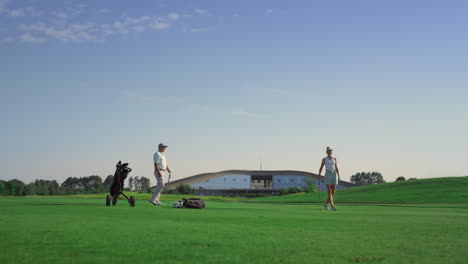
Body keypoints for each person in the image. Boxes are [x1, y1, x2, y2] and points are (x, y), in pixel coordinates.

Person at [318, 146, 341, 211]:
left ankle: (326, 204)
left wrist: (338, 175)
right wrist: (319, 174)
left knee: (333, 191)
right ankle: (332, 206)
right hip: (327, 174)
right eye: (329, 151)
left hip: (334, 174)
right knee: (329, 191)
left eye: (331, 151)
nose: (330, 152)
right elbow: (321, 167)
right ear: (326, 152)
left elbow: (336, 167)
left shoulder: (334, 158)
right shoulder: (324, 159)